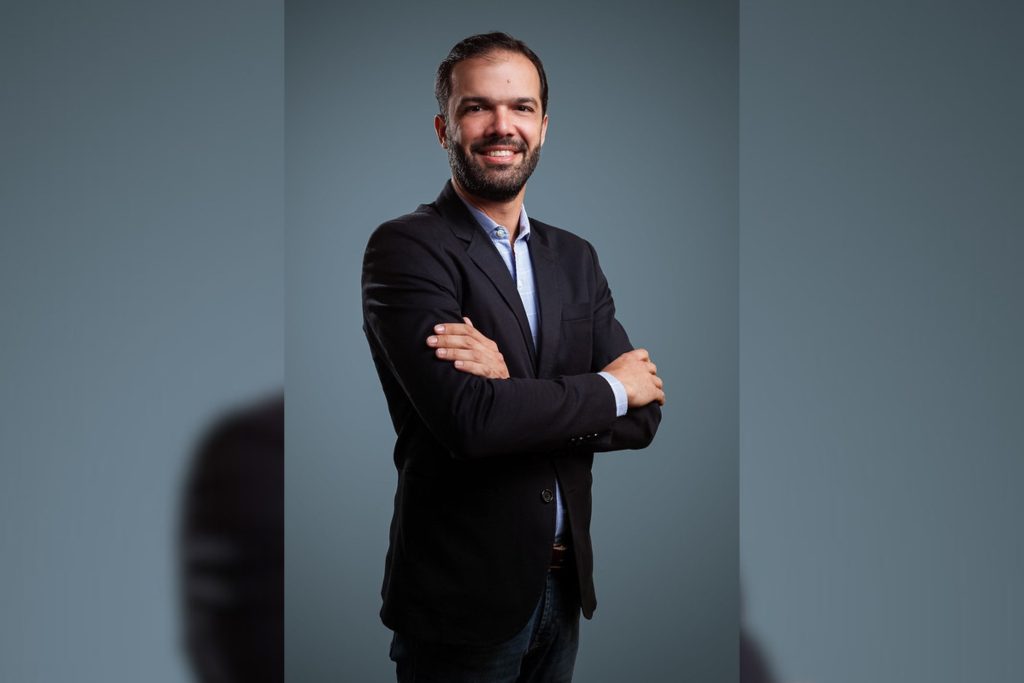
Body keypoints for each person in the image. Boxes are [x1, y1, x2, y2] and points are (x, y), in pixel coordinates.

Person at [361, 32, 664, 682]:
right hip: (460, 601)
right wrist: (607, 388)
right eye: (477, 107)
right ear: (444, 128)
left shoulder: (575, 257)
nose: (503, 126)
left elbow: (646, 418)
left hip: (562, 589)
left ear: (544, 126)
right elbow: (471, 421)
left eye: (521, 107)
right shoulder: (407, 248)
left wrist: (513, 392)